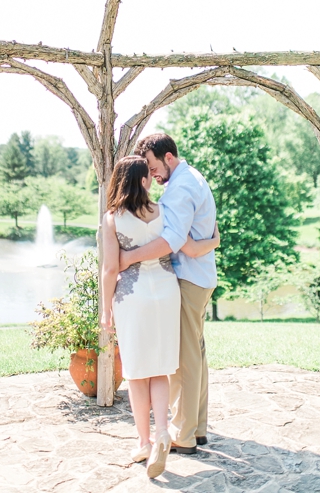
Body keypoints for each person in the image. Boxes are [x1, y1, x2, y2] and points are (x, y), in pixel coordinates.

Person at [100, 156, 218, 478]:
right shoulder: (163, 212)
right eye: (148, 176)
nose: (152, 180)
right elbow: (181, 243)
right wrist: (215, 239)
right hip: (167, 292)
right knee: (162, 369)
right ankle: (164, 430)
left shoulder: (112, 219)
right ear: (142, 180)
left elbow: (111, 269)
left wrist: (105, 310)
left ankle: (144, 441)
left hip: (133, 297)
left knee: (138, 373)